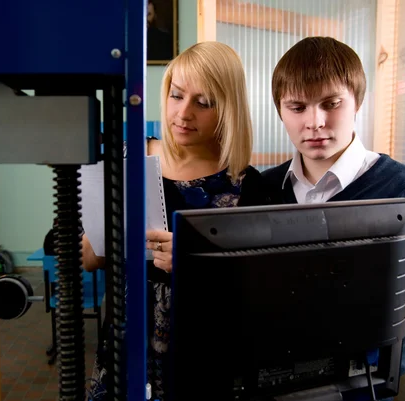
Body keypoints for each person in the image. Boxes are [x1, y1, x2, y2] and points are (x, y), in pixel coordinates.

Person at [84, 41, 270, 400]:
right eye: (177, 95)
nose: (183, 113)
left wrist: (193, 262)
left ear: (229, 110)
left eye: (204, 103)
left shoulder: (252, 188)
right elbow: (89, 258)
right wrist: (108, 218)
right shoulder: (129, 156)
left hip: (202, 352)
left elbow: (261, 293)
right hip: (127, 339)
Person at [262, 37, 405, 380]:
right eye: (297, 107)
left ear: (357, 101)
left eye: (331, 103)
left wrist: (350, 366)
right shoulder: (265, 188)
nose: (315, 122)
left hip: (354, 385)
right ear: (280, 111)